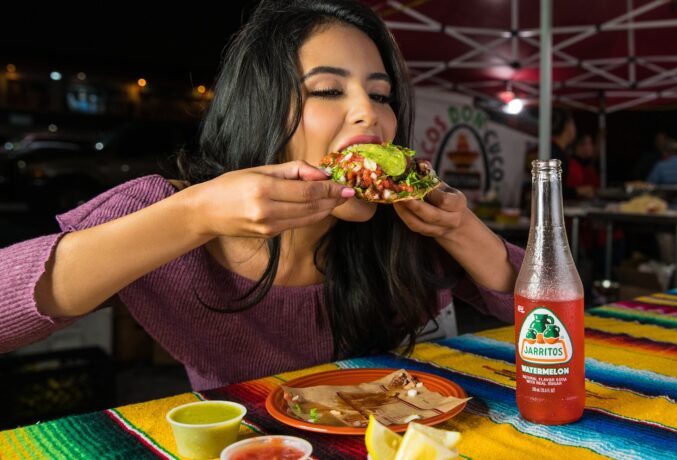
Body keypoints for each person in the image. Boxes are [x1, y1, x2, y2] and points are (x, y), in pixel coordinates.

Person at [0, 0, 522, 391]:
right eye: (327, 90)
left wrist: (459, 228)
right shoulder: (170, 210)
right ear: (261, 110)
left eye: (381, 95)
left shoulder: (403, 225)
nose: (371, 114)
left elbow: (554, 322)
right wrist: (195, 215)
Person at [565, 133, 599, 199]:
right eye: (583, 144)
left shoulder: (588, 166)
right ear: (575, 147)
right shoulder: (572, 166)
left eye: (590, 143)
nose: (588, 147)